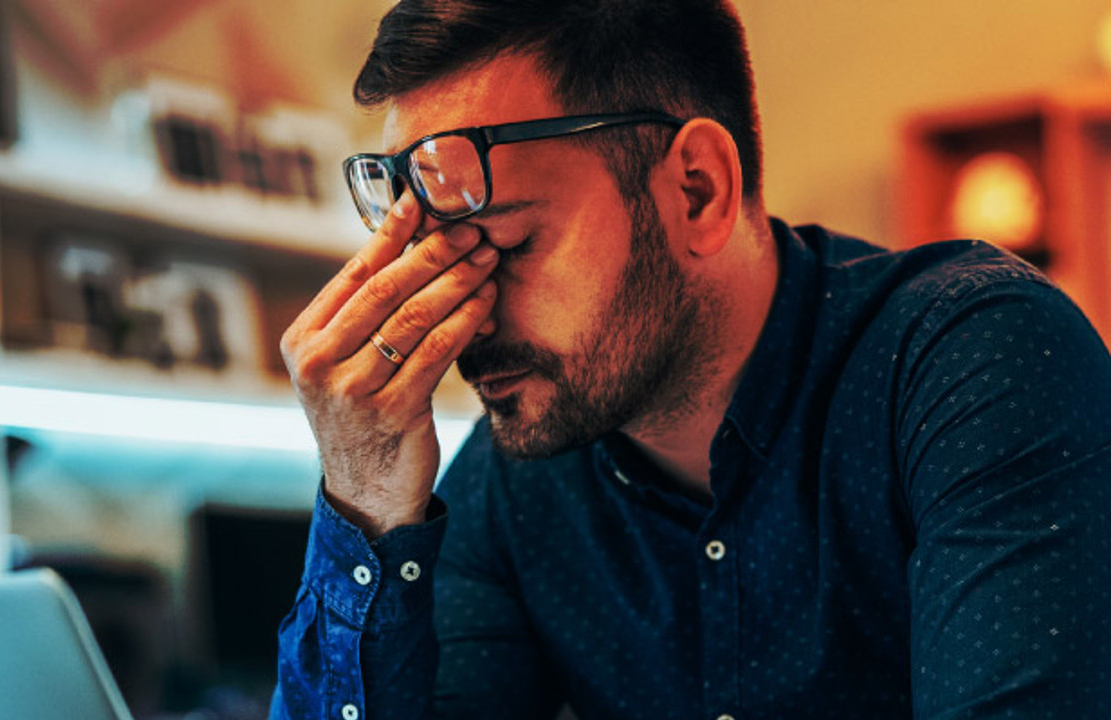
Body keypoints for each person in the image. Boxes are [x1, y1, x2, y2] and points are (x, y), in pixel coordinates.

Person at [270, 1, 1111, 718]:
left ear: (696, 189)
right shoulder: (512, 484)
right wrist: (367, 497)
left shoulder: (974, 365)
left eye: (511, 246)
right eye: (441, 265)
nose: (468, 314)